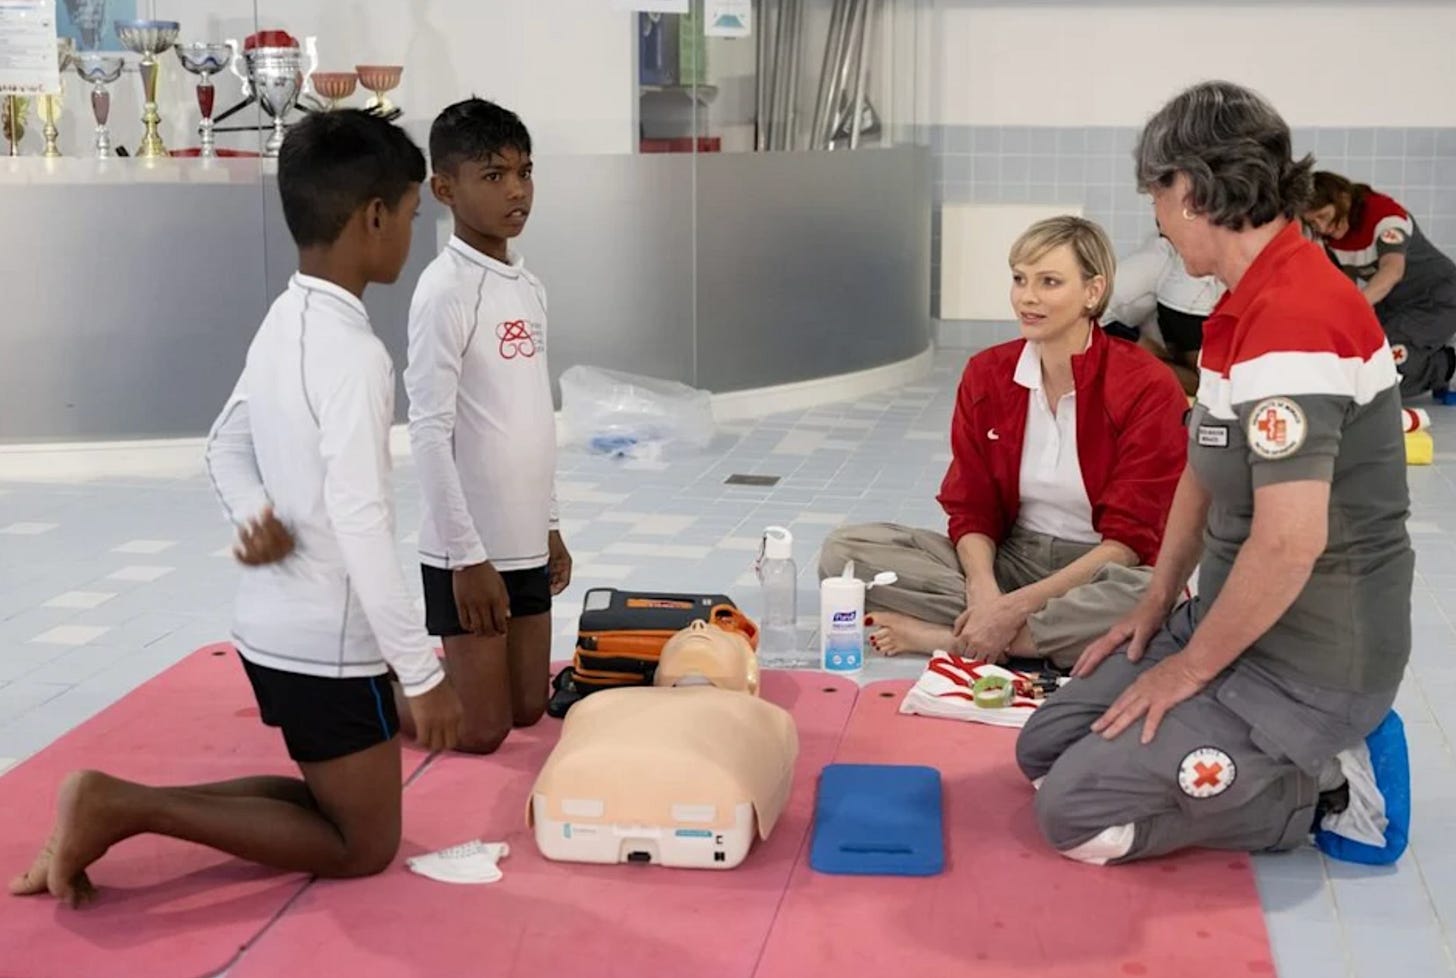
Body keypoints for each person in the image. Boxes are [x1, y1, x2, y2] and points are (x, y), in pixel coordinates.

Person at [9, 110, 465, 908]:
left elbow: (222, 445)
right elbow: (361, 523)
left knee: (334, 804)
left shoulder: (285, 317)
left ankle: (121, 803)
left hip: (268, 631)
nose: (412, 233)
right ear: (374, 217)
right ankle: (121, 805)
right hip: (328, 645)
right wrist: (419, 673)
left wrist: (257, 514)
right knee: (363, 846)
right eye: (414, 216)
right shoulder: (356, 356)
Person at [1017, 81, 1413, 865]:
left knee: (1077, 817)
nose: (1158, 221)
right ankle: (1244, 735)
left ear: (1189, 192)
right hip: (1229, 624)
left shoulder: (1295, 319)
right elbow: (1203, 472)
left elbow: (1290, 543)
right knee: (1044, 749)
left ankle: (1325, 785)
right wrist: (1158, 607)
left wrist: (1187, 672)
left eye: (1157, 199)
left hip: (1310, 661)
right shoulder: (1242, 304)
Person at [818, 216, 1188, 671]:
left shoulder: (1146, 385)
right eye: (1019, 279)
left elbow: (1130, 541)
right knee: (845, 553)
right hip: (1012, 557)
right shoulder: (987, 374)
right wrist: (985, 591)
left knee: (1149, 598)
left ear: (1093, 291)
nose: (1027, 298)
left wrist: (1014, 608)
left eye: (1049, 282)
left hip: (1101, 568)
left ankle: (953, 639)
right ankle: (1020, 635)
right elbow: (971, 507)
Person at [401, 97, 571, 754]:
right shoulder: (445, 289)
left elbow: (533, 419)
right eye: (494, 176)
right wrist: (466, 558)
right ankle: (375, 686)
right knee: (482, 732)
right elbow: (427, 431)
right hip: (466, 552)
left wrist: (551, 524)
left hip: (525, 539)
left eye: (524, 172)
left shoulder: (530, 288)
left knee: (528, 709)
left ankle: (456, 674)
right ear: (445, 188)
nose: (518, 191)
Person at [1304, 170, 1456, 399]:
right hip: (1393, 302)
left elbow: (1392, 271)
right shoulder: (1332, 236)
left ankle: (1446, 365)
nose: (1322, 228)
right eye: (1313, 222)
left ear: (1343, 199)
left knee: (1386, 369)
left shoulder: (1385, 217)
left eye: (1323, 216)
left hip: (1437, 298)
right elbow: (1344, 283)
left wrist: (1352, 309)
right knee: (1363, 357)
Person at [1101, 230, 1224, 396]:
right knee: (1204, 385)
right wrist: (1134, 344)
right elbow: (1089, 313)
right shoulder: (1158, 258)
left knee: (1206, 385)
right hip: (1106, 327)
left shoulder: (1160, 256)